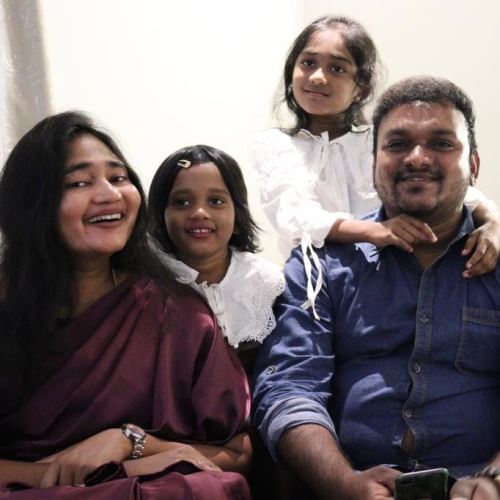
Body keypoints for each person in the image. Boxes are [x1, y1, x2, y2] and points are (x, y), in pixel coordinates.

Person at [252, 76, 500, 500]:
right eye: (397, 144)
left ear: (473, 165)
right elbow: (290, 389)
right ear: (373, 165)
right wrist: (343, 483)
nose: (417, 158)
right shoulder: (320, 265)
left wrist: (493, 479)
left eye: (441, 143)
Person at [0, 112, 252, 499]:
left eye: (118, 178)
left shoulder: (176, 313)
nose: (110, 194)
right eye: (79, 183)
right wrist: (59, 476)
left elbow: (235, 455)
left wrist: (129, 443)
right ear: (32, 202)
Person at [250, 15, 500, 280]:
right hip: (315, 282)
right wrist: (375, 230)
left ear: (362, 88)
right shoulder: (275, 145)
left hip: (389, 273)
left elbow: (459, 191)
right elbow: (295, 218)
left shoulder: (380, 142)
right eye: (308, 63)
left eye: (337, 68)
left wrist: (493, 224)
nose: (318, 77)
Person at [148, 145, 285, 372]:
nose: (199, 213)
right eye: (182, 202)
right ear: (160, 216)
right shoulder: (146, 287)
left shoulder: (269, 284)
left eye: (215, 201)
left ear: (238, 215)